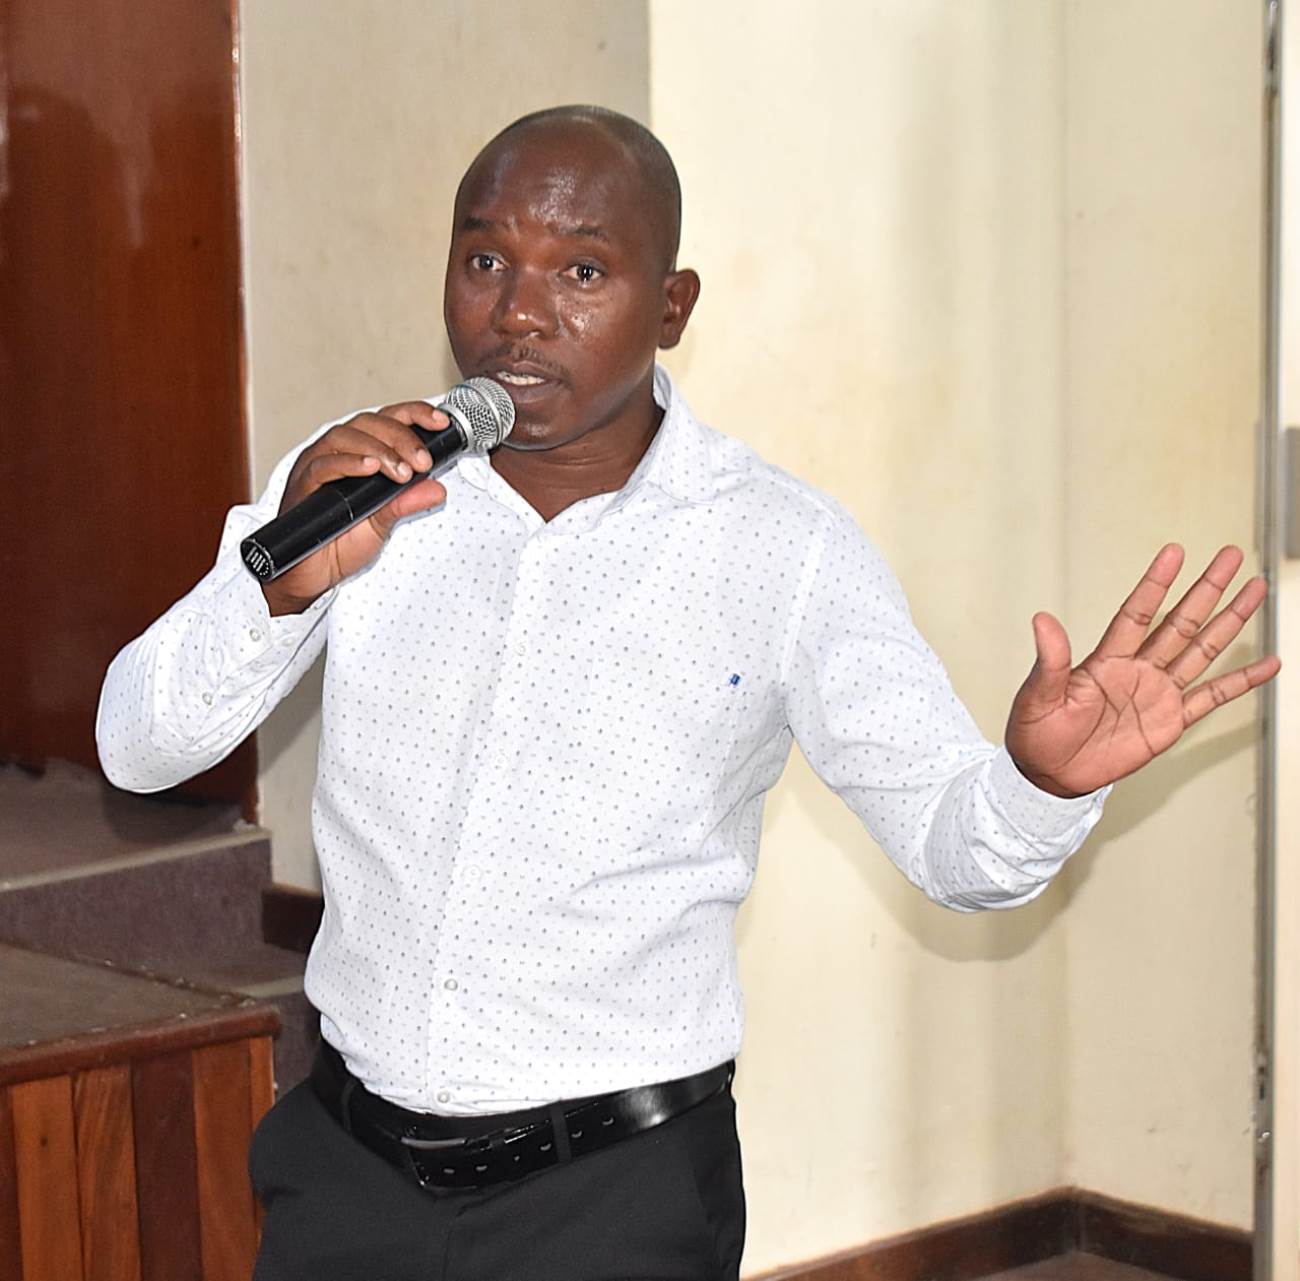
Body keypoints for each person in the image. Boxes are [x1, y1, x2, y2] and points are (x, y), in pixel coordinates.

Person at [96, 105, 1280, 1281]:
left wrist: (1034, 785)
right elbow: (136, 749)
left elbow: (954, 851)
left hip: (612, 1200)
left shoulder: (781, 549)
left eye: (583, 269)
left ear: (671, 306)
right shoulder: (358, 488)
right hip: (345, 1179)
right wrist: (277, 592)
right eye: (486, 258)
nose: (517, 309)